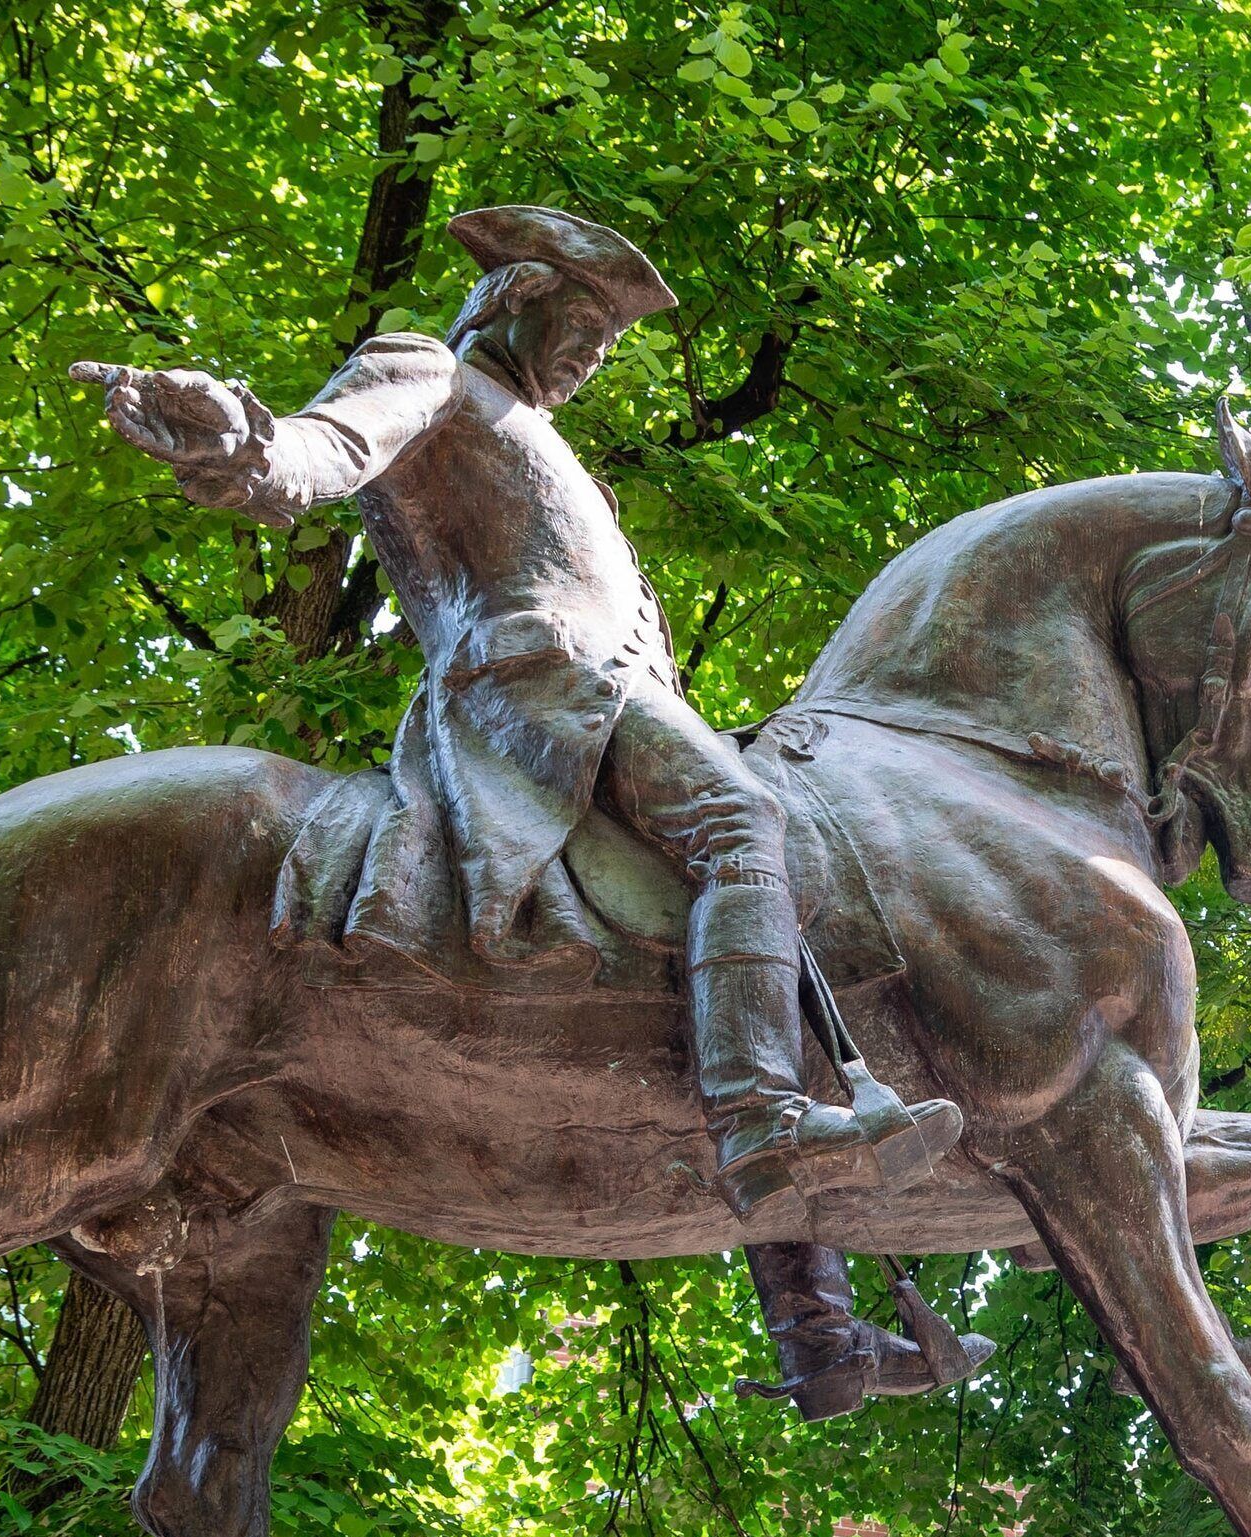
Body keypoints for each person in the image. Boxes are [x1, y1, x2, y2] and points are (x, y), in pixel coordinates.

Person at [76, 206, 977, 1412]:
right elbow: (325, 452)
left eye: (606, 343)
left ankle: (815, 1323)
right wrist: (239, 438)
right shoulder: (432, 371)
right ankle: (764, 1121)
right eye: (585, 326)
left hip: (610, 701)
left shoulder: (558, 453)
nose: (593, 356)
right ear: (512, 299)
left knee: (774, 921)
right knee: (742, 829)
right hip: (539, 696)